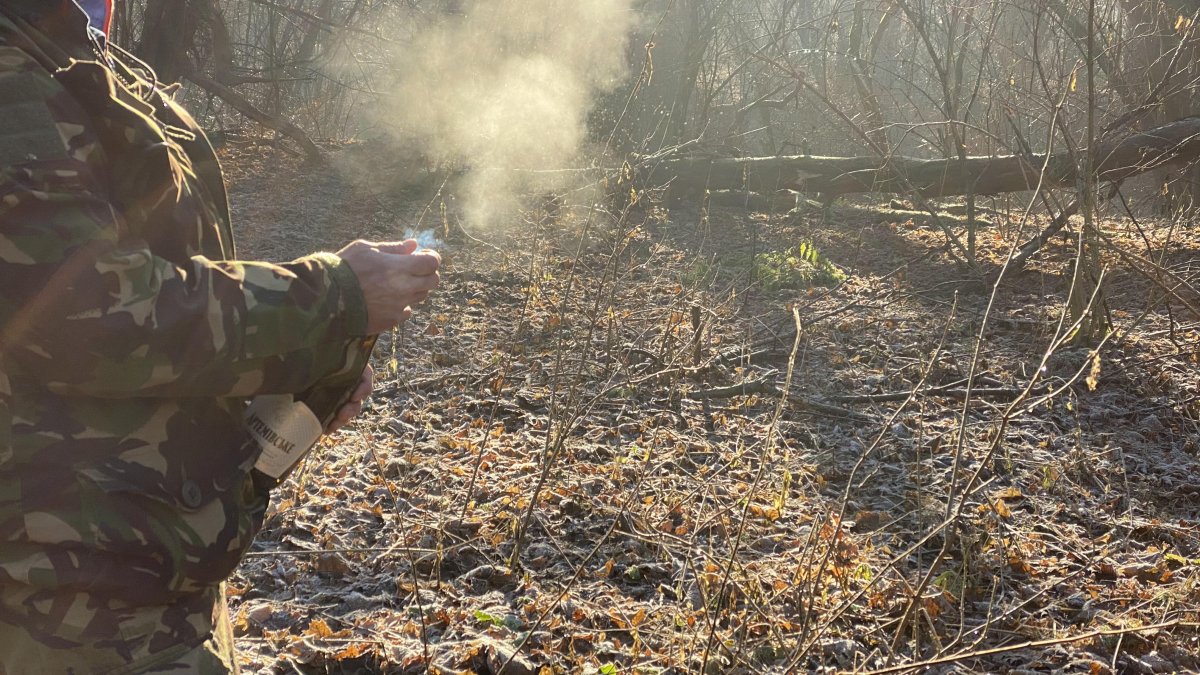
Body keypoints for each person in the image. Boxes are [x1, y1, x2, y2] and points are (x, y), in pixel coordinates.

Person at [0, 0, 440, 672]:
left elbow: (158, 290)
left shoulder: (85, 46)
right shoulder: (18, 67)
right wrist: (330, 298)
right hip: (59, 608)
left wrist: (303, 371)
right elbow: (82, 315)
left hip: (155, 582)